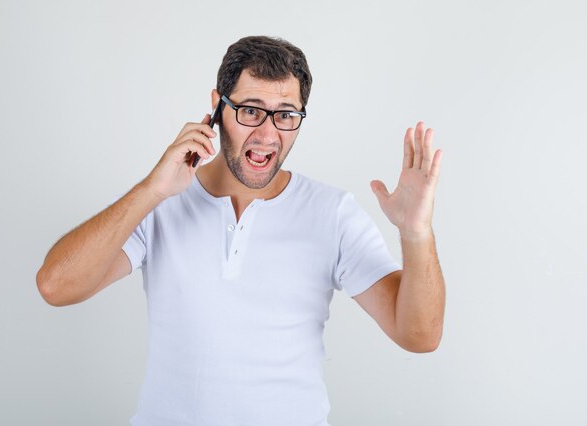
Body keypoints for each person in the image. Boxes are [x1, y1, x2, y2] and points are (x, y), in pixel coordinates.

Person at [36, 35, 445, 426]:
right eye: (250, 110)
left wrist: (416, 232)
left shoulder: (333, 213)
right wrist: (151, 190)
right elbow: (56, 286)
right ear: (217, 108)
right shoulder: (160, 204)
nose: (267, 135)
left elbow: (419, 336)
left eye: (285, 114)